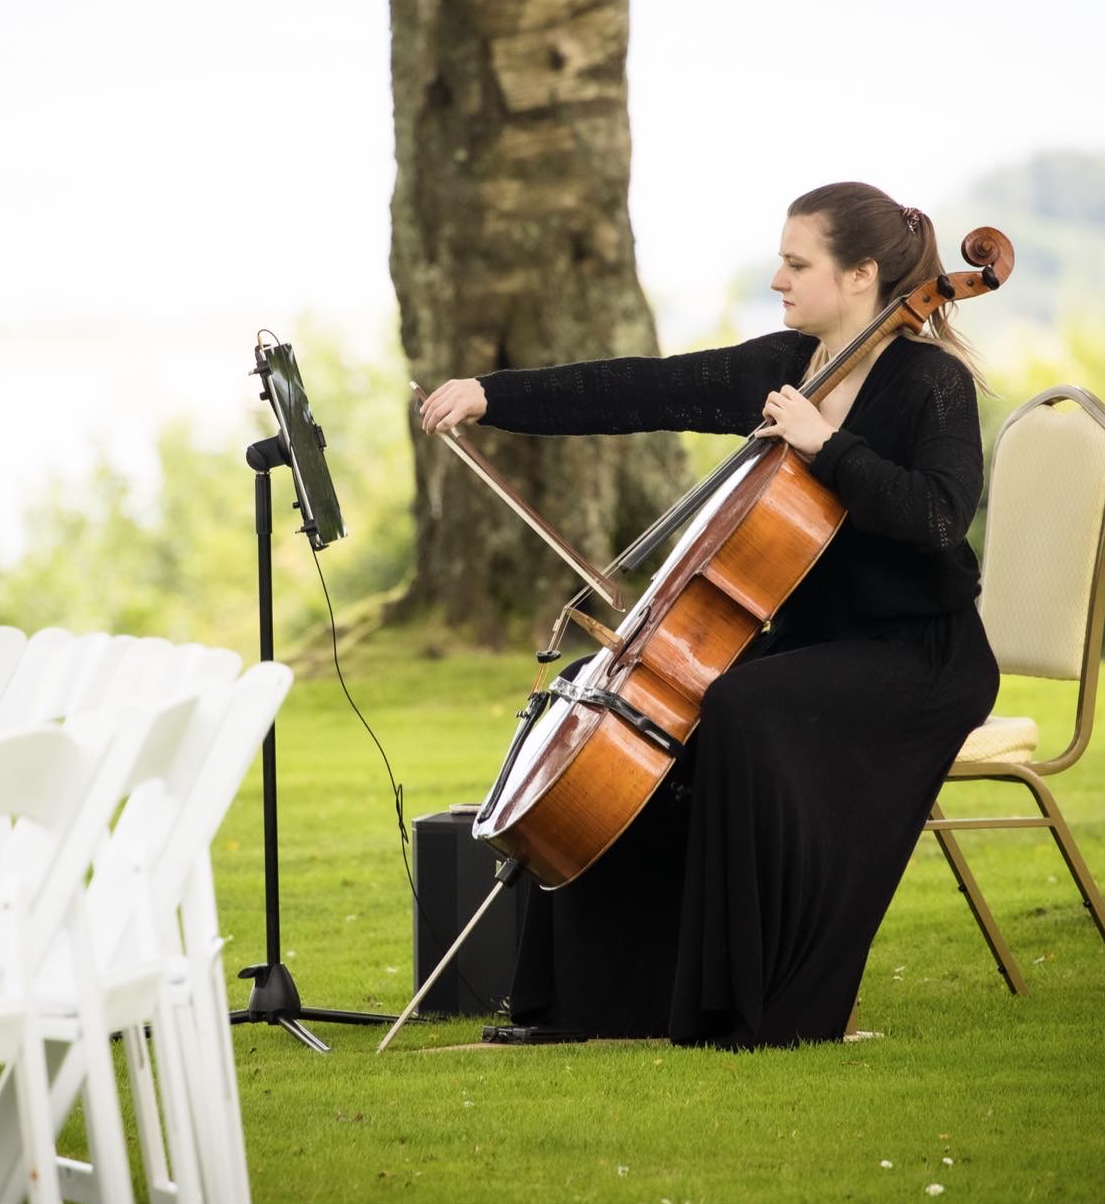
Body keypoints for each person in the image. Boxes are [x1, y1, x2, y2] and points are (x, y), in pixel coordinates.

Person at [416, 181, 1000, 1048]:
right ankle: (588, 1004)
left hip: (918, 658)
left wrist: (827, 447)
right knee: (608, 696)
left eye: (798, 264)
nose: (779, 279)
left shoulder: (931, 384)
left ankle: (750, 1007)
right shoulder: (783, 368)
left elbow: (940, 517)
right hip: (811, 646)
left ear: (862, 275)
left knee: (742, 710)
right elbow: (641, 391)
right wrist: (491, 395)